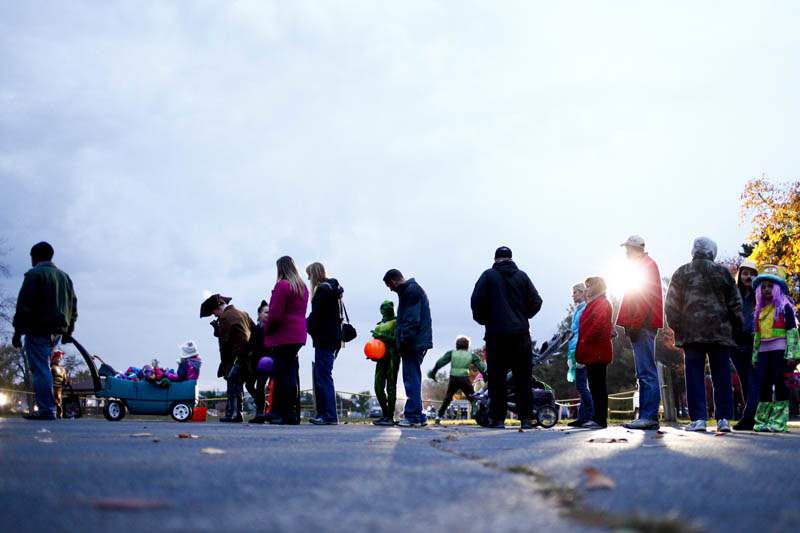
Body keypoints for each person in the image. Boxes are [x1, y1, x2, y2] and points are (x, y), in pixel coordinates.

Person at [664, 237, 742, 432]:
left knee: (694, 375)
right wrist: (737, 328)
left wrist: (678, 328)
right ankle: (723, 419)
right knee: (722, 375)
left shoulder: (682, 272)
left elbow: (671, 306)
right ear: (712, 252)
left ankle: (698, 419)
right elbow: (736, 304)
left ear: (693, 251)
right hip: (720, 333)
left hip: (692, 334)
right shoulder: (723, 272)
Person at [470, 246, 543, 429]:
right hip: (521, 335)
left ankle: (498, 419)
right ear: (511, 258)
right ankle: (526, 419)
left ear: (495, 259)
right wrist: (522, 316)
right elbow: (536, 301)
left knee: (497, 379)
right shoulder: (522, 276)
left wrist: (485, 320)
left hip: (496, 335)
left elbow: (476, 301)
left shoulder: (487, 276)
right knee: (523, 378)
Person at [12, 241, 78, 421]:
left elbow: (24, 306)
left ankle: (46, 410)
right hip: (57, 331)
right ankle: (49, 408)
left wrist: (18, 332)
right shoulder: (64, 277)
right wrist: (68, 331)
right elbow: (73, 306)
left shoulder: (34, 275)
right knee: (45, 368)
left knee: (41, 369)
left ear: (34, 257)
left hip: (38, 329)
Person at [616, 235, 664, 431]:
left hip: (643, 325)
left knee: (646, 372)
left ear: (635, 249)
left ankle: (649, 416)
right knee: (643, 371)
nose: (626, 252)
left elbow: (644, 299)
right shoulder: (641, 266)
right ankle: (645, 415)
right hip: (641, 324)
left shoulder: (645, 266)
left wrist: (635, 324)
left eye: (628, 249)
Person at [751, 265, 799, 433]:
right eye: (763, 286)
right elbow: (757, 336)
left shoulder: (785, 308)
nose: (766, 289)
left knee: (780, 383)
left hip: (780, 351)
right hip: (763, 353)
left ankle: (778, 421)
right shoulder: (759, 311)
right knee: (763, 384)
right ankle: (762, 421)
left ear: (777, 288)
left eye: (770, 286)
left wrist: (793, 353)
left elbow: (792, 332)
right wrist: (755, 356)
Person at [383, 269, 432, 427]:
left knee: (410, 378)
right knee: (414, 377)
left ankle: (413, 416)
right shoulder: (411, 290)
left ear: (394, 281)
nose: (390, 289)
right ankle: (419, 415)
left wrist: (402, 343)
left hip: (412, 343)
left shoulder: (411, 291)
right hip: (416, 341)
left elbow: (410, 321)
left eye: (389, 285)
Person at [264, 256, 309, 425]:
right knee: (290, 374)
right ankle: (291, 413)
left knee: (281, 374)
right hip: (298, 334)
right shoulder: (302, 287)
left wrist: (266, 330)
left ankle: (279, 413)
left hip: (284, 334)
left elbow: (275, 314)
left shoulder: (282, 285)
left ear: (280, 268)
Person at [200, 293, 254, 423]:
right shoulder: (243, 313)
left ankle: (234, 414)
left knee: (232, 381)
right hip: (248, 355)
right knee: (238, 383)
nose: (215, 316)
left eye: (214, 313)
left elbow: (225, 344)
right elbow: (254, 330)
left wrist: (224, 365)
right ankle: (238, 413)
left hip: (236, 356)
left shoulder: (225, 317)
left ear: (219, 307)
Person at [306, 262, 343, 425]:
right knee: (325, 375)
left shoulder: (322, 290)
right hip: (333, 339)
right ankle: (329, 414)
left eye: (309, 275)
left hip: (324, 339)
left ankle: (328, 415)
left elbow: (316, 317)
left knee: (323, 377)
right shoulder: (334, 289)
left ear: (314, 274)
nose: (308, 278)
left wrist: (303, 325)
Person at [576, 277, 613, 429]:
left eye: (589, 286)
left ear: (596, 287)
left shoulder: (602, 303)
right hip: (592, 351)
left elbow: (598, 324)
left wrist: (585, 339)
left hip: (597, 350)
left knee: (598, 386)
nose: (586, 289)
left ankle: (600, 419)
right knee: (594, 385)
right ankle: (596, 417)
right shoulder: (594, 303)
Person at [427, 336, 487, 424]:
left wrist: (433, 372)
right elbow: (482, 367)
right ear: (467, 346)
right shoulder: (471, 355)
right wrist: (486, 377)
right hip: (464, 378)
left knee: (448, 398)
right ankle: (475, 413)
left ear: (456, 345)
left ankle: (438, 416)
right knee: (472, 397)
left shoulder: (451, 353)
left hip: (453, 378)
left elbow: (440, 362)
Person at [731, 259, 760, 430]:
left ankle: (749, 417)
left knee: (753, 378)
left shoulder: (760, 293)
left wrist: (756, 284)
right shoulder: (734, 293)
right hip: (735, 341)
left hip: (753, 340)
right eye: (745, 273)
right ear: (740, 274)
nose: (748, 276)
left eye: (752, 273)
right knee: (743, 379)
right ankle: (752, 416)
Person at [566, 283, 594, 427]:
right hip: (574, 348)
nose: (573, 295)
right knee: (580, 385)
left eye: (575, 292)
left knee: (582, 385)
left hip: (580, 348)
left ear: (583, 293)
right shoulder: (578, 310)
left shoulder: (585, 309)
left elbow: (584, 330)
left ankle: (589, 415)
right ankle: (583, 416)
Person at [371, 300, 400, 426]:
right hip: (381, 358)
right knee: (378, 387)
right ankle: (385, 413)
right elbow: (375, 344)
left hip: (393, 357)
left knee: (391, 386)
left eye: (387, 307)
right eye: (382, 307)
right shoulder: (379, 324)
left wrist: (383, 337)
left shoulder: (397, 322)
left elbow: (397, 340)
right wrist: (372, 354)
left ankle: (390, 416)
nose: (385, 309)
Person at [245, 301, 270, 424]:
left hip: (266, 363)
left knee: (260, 387)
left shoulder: (269, 328)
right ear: (259, 314)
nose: (268, 315)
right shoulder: (255, 328)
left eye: (269, 312)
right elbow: (250, 344)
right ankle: (261, 402)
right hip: (254, 362)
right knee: (248, 385)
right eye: (265, 312)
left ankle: (260, 414)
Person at [50, 349, 68, 419]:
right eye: (57, 357)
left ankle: (59, 415)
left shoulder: (62, 369)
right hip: (51, 387)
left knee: (59, 400)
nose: (59, 359)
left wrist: (65, 382)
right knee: (53, 400)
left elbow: (64, 378)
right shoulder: (51, 367)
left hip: (59, 387)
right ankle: (51, 413)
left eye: (60, 358)